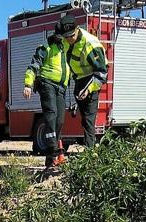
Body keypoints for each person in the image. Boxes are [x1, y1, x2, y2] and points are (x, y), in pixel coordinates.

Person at [57, 14, 108, 148]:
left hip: (91, 80)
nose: (69, 40)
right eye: (66, 37)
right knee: (84, 119)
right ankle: (89, 149)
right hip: (78, 81)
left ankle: (90, 153)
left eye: (71, 36)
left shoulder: (90, 44)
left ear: (78, 29)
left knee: (88, 120)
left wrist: (89, 88)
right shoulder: (65, 40)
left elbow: (102, 74)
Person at [24, 30, 70, 168]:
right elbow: (34, 66)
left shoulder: (65, 48)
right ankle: (51, 152)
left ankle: (56, 153)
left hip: (61, 88)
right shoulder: (45, 48)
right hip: (47, 84)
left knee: (60, 119)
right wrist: (28, 84)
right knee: (51, 115)